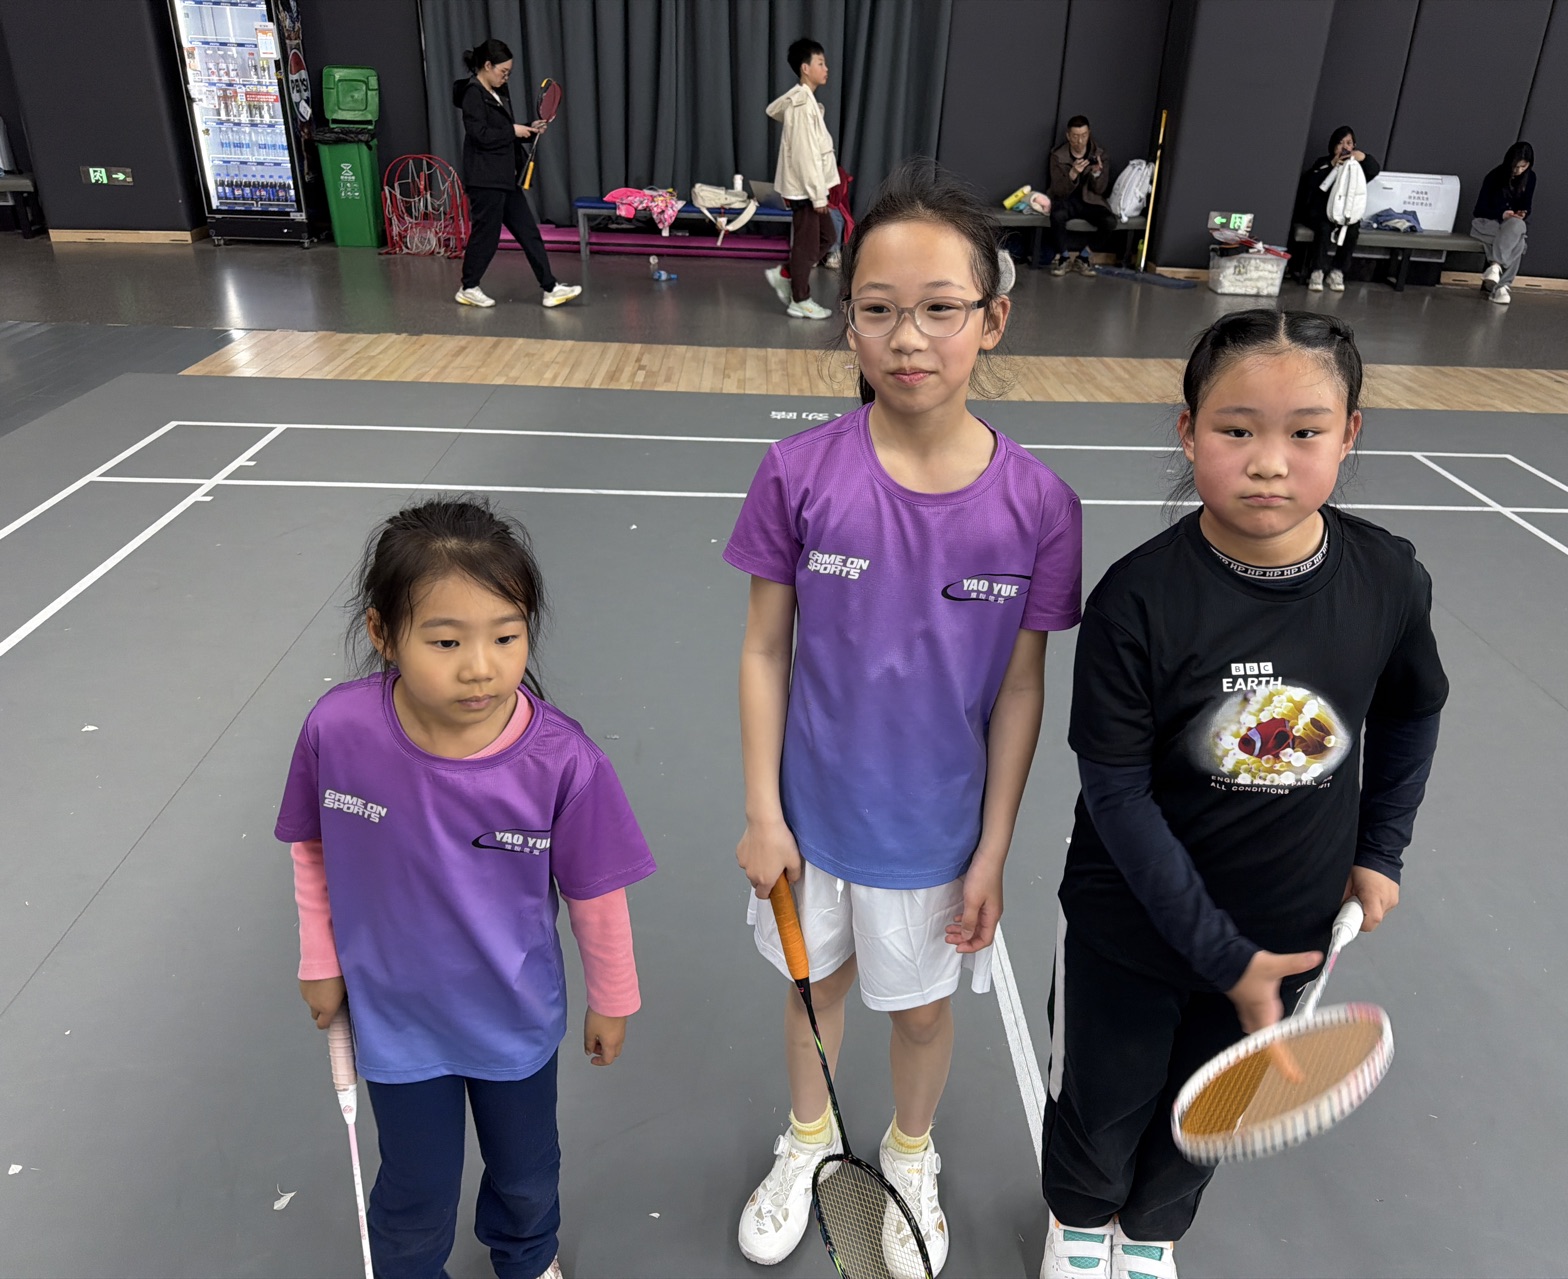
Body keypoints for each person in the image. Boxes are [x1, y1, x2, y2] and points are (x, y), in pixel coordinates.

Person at [1038, 310, 1448, 1279]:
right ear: (1189, 433)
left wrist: (1379, 849)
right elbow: (1115, 791)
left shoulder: (1387, 577)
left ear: (1348, 435)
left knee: (1214, 1106)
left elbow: (1411, 711)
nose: (1269, 461)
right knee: (1101, 1103)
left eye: (1304, 431)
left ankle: (1149, 1234)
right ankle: (1079, 1226)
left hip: (1287, 928)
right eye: (1236, 429)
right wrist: (1225, 955)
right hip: (1128, 933)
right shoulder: (1138, 600)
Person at [727, 158, 1083, 1275]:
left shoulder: (1039, 506)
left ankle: (908, 1152)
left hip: (933, 833)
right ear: (848, 324)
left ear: (993, 320)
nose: (908, 338)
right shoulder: (797, 473)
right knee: (814, 994)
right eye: (877, 310)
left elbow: (1020, 687)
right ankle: (808, 1142)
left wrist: (993, 850)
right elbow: (763, 648)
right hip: (810, 819)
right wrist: (762, 812)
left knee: (922, 1013)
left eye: (940, 309)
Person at [278, 498, 655, 1279]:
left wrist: (613, 995)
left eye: (506, 637)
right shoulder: (336, 731)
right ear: (383, 632)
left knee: (525, 1172)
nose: (480, 665)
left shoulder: (564, 761)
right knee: (414, 1188)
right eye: (446, 641)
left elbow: (596, 892)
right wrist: (320, 956)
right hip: (397, 1019)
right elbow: (312, 846)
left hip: (514, 1016)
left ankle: (528, 1257)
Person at [452, 39, 580, 309]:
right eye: (503, 72)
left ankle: (550, 288)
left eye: (509, 73)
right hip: (485, 179)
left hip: (505, 178)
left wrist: (528, 129)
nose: (506, 77)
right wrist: (512, 130)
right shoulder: (472, 93)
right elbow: (479, 135)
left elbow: (501, 131)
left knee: (528, 232)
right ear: (487, 65)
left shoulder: (498, 91)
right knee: (486, 237)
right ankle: (468, 287)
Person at [764, 39, 839, 319]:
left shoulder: (806, 102)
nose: (826, 68)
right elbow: (806, 157)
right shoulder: (801, 106)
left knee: (827, 237)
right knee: (807, 245)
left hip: (811, 190)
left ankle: (786, 273)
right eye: (821, 63)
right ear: (805, 68)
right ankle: (800, 299)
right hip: (806, 191)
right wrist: (818, 196)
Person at [1295, 126, 1381, 292]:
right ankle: (1317, 271)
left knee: (1352, 231)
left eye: (1349, 143)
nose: (1345, 147)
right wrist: (1332, 165)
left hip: (1345, 214)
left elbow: (1374, 169)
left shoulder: (1356, 167)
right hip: (1321, 213)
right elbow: (1311, 183)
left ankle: (1337, 272)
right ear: (1333, 146)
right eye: (1340, 143)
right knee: (1324, 228)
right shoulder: (1323, 162)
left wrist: (1363, 157)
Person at [1046, 116, 1117, 277]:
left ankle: (1084, 257)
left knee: (1110, 222)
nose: (1080, 141)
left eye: (1084, 136)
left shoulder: (1099, 154)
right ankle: (1064, 257)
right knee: (1056, 216)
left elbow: (1100, 190)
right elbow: (1058, 190)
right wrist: (1072, 174)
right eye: (1075, 136)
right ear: (1068, 136)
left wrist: (1096, 173)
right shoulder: (1058, 156)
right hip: (1066, 200)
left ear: (1089, 134)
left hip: (1090, 201)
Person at [1471, 142, 1536, 306]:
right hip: (1487, 224)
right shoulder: (1494, 176)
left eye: (1523, 167)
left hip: (1511, 226)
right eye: (1516, 167)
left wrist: (1522, 213)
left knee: (1517, 227)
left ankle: (1495, 267)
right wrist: (1501, 214)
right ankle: (1502, 288)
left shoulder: (1530, 178)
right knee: (1518, 242)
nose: (1519, 171)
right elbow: (1479, 210)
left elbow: (1527, 206)